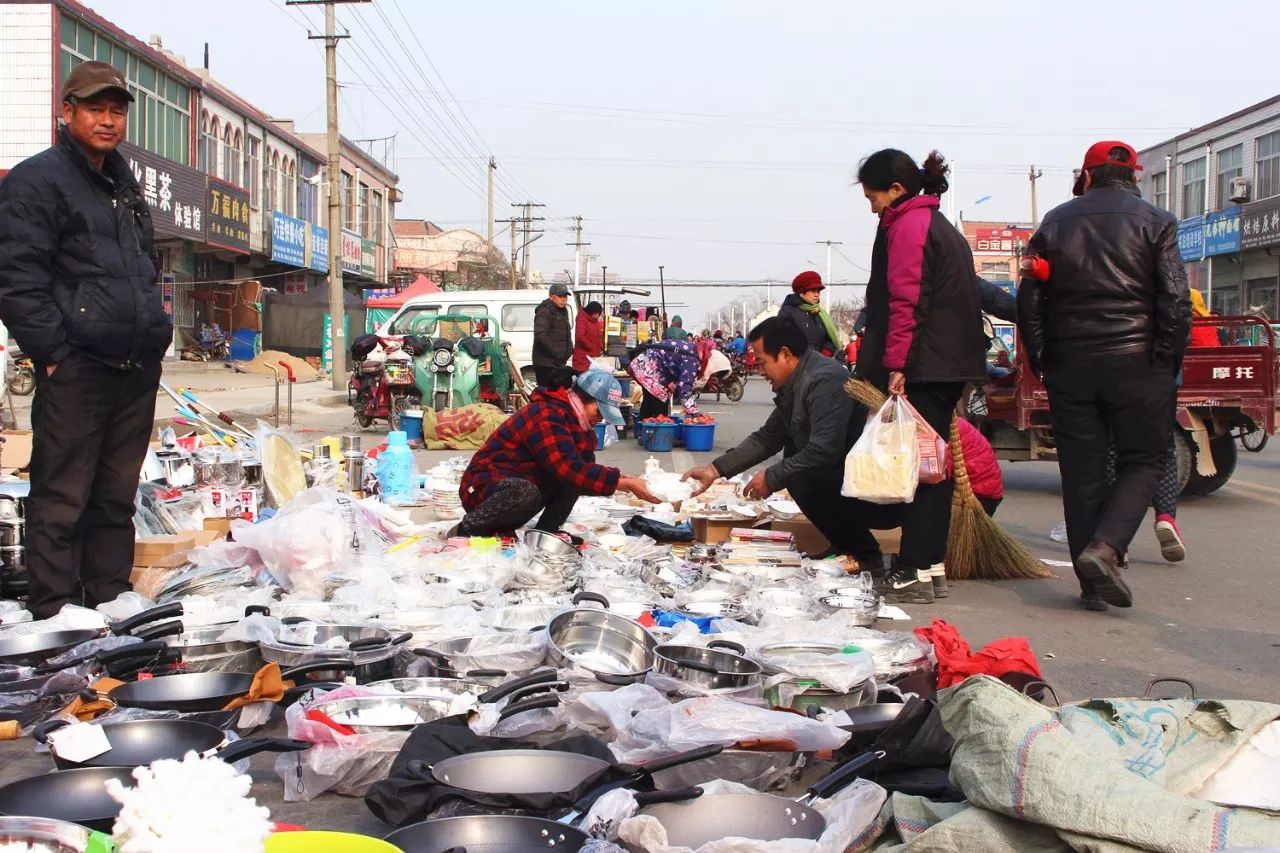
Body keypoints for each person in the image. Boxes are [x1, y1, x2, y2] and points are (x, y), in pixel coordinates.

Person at [0, 62, 172, 618]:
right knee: (62, 496)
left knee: (115, 498)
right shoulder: (37, 180)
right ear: (67, 112)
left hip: (133, 366)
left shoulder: (123, 182)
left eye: (117, 110)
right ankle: (53, 616)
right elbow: (16, 277)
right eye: (95, 109)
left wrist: (154, 337)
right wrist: (53, 354)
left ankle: (109, 609)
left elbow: (142, 266)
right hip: (77, 365)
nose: (107, 120)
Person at [1017, 140, 1190, 611]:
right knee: (1144, 460)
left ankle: (1091, 585)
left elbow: (1029, 296)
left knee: (1082, 472)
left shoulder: (1055, 222)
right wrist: (1166, 361)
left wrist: (1042, 357)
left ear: (1087, 176)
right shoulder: (1157, 222)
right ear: (1135, 177)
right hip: (1138, 362)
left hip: (1071, 365)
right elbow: (1174, 298)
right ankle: (1106, 548)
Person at [855, 148, 988, 604]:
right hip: (945, 361)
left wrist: (897, 366)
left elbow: (906, 300)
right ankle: (930, 565)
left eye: (873, 196)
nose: (871, 206)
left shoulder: (911, 225)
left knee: (919, 469)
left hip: (926, 362)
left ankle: (913, 568)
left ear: (896, 190)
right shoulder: (935, 224)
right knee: (932, 463)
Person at [682, 317, 899, 573]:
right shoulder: (796, 383)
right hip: (841, 474)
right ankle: (845, 547)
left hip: (870, 482)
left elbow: (824, 449)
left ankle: (866, 556)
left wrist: (772, 478)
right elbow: (767, 438)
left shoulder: (824, 380)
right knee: (795, 465)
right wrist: (715, 470)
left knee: (799, 473)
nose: (760, 371)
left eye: (762, 362)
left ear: (785, 354)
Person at [457, 368, 659, 535]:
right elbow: (568, 468)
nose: (600, 419)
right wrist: (623, 483)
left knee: (574, 482)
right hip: (484, 488)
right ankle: (466, 530)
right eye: (599, 412)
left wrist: (625, 479)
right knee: (528, 491)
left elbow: (584, 473)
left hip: (520, 485)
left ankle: (545, 534)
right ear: (583, 399)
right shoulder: (546, 414)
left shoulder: (579, 426)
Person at [627, 339, 702, 421]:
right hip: (651, 370)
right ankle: (655, 432)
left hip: (643, 365)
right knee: (660, 412)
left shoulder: (692, 349)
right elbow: (684, 388)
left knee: (648, 403)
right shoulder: (692, 360)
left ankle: (644, 430)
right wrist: (693, 411)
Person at [779, 271, 841, 357]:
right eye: (812, 291)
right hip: (798, 363)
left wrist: (826, 351)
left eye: (818, 291)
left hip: (820, 363)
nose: (816, 295)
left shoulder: (820, 313)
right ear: (801, 292)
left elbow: (829, 339)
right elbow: (784, 339)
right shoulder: (788, 312)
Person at [532, 282, 572, 387]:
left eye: (565, 296)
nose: (563, 299)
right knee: (549, 396)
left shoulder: (563, 312)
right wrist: (557, 353)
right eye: (560, 296)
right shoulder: (544, 312)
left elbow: (566, 334)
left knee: (561, 395)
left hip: (559, 363)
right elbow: (541, 334)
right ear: (551, 297)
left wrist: (569, 350)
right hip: (546, 364)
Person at [572, 300, 605, 372]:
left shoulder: (595, 321)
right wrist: (591, 347)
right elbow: (580, 336)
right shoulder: (582, 319)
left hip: (593, 359)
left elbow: (598, 336)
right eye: (597, 314)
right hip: (583, 359)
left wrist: (601, 347)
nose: (598, 316)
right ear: (591, 312)